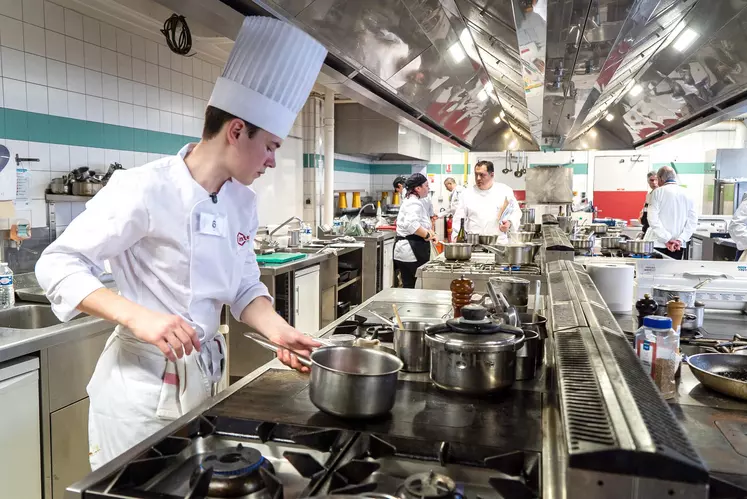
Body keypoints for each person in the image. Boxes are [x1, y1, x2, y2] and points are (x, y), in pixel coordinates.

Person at [34, 17, 327, 470]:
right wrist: (139, 317)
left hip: (205, 380)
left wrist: (277, 330)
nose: (272, 160)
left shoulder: (239, 201)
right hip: (141, 393)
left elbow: (245, 285)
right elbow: (56, 264)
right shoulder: (144, 188)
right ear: (235, 131)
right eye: (270, 145)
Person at [452, 161, 522, 243]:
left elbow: (516, 212)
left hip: (498, 243)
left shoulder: (504, 191)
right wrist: (456, 236)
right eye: (476, 174)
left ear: (492, 175)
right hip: (474, 243)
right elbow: (459, 218)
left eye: (482, 175)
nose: (478, 178)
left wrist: (509, 223)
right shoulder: (467, 194)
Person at [393, 173, 437, 288]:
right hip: (412, 252)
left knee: (409, 286)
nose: (428, 188)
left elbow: (418, 223)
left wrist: (431, 233)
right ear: (418, 188)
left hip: (405, 251)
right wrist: (427, 235)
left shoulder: (410, 200)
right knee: (416, 287)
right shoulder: (414, 202)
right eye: (426, 186)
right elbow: (411, 225)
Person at [645, 166, 697, 260]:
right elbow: (692, 222)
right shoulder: (688, 193)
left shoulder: (657, 192)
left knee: (654, 273)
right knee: (672, 272)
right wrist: (680, 240)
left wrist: (667, 239)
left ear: (660, 178)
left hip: (658, 243)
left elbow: (652, 219)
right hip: (677, 245)